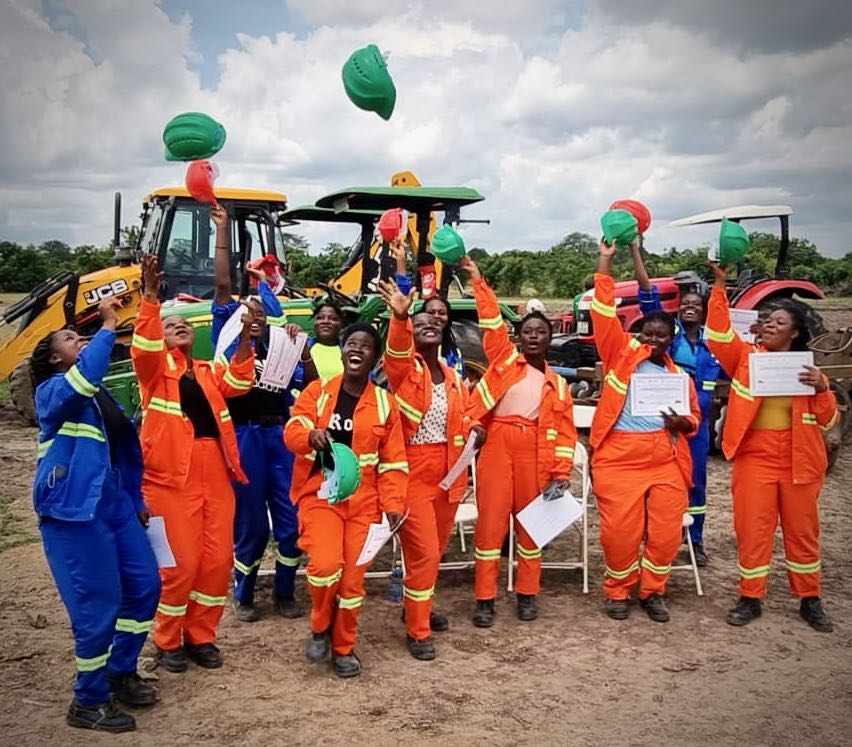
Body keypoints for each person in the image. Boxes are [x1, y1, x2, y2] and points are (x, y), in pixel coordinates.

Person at [31, 297, 161, 733]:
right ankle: (87, 701)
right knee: (97, 606)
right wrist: (108, 325)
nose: (80, 338)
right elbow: (83, 378)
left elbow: (124, 451)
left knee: (144, 586)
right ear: (54, 358)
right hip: (74, 510)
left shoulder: (99, 394)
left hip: (115, 505)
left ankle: (119, 671)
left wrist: (134, 498)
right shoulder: (53, 391)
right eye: (70, 338)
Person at [131, 255, 255, 672]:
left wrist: (245, 338)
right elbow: (143, 346)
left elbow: (239, 382)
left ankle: (201, 636)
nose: (179, 325)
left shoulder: (205, 371)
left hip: (215, 471)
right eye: (170, 325)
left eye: (183, 323)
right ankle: (168, 641)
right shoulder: (153, 374)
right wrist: (151, 299)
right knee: (179, 565)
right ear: (159, 337)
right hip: (170, 479)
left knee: (217, 562)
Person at [705, 262, 836, 632]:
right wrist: (719, 286)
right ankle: (750, 597)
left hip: (801, 459)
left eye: (778, 322)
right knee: (753, 528)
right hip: (755, 457)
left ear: (795, 334)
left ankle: (810, 600)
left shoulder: (811, 373)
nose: (769, 325)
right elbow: (717, 334)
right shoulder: (746, 359)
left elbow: (828, 423)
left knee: (803, 531)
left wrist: (823, 389)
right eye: (767, 321)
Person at [209, 205, 316, 623]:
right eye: (245, 310)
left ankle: (287, 593)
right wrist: (222, 232)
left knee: (290, 523)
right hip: (245, 437)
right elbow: (221, 286)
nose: (252, 315)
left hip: (279, 437)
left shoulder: (279, 342)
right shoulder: (227, 339)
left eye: (258, 310)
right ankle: (245, 593)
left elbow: (308, 385)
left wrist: (301, 349)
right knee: (252, 524)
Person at [284, 323, 408, 678]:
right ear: (342, 351)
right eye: (351, 343)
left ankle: (343, 648)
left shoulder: (386, 403)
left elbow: (395, 462)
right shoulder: (317, 392)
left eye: (366, 345)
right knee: (324, 568)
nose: (357, 349)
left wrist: (394, 504)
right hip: (320, 494)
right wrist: (309, 435)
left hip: (365, 503)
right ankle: (320, 626)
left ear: (374, 357)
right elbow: (292, 431)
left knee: (353, 583)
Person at [461, 257, 578, 627]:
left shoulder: (559, 385)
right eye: (527, 330)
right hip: (496, 447)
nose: (533, 336)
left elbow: (565, 435)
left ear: (549, 338)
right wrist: (479, 281)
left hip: (535, 455)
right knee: (490, 527)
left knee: (532, 526)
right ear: (519, 336)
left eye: (540, 332)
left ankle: (528, 595)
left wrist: (560, 473)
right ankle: (485, 599)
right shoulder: (503, 362)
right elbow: (492, 322)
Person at [590, 238, 700, 623]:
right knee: (620, 534)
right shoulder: (620, 358)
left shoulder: (679, 376)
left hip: (664, 459)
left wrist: (679, 423)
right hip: (619, 459)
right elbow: (604, 313)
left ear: (672, 340)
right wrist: (606, 259)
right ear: (637, 335)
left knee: (667, 533)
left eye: (661, 336)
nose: (653, 340)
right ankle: (618, 591)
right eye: (646, 334)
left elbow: (694, 422)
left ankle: (653, 591)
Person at [378, 279, 486, 659]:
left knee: (435, 550)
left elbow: (468, 413)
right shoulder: (405, 371)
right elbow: (394, 352)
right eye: (420, 323)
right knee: (422, 551)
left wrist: (475, 428)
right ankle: (418, 630)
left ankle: (417, 605)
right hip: (413, 472)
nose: (429, 325)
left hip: (451, 473)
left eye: (434, 323)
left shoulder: (454, 377)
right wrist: (400, 316)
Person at [632, 244, 723, 566]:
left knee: (696, 483)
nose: (689, 308)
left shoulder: (716, 347)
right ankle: (648, 535)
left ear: (704, 310)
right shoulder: (670, 340)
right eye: (684, 303)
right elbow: (646, 292)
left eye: (696, 304)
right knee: (654, 483)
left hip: (696, 429)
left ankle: (694, 541)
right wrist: (635, 248)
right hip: (662, 425)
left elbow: (744, 368)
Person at [391, 238, 465, 376]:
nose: (436, 317)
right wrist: (400, 261)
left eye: (442, 313)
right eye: (431, 312)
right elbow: (402, 296)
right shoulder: (409, 348)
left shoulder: (453, 353)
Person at [308, 300, 345, 380]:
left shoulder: (349, 350)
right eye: (320, 318)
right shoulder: (303, 347)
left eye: (333, 318)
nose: (325, 321)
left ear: (341, 324)